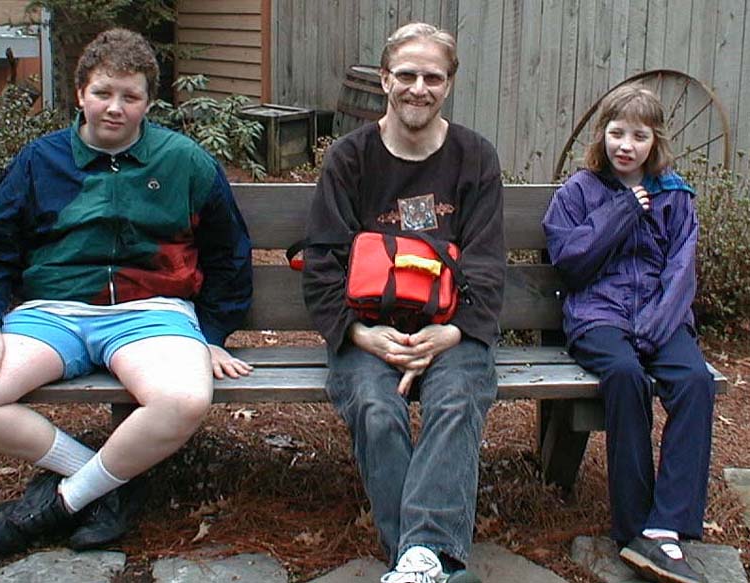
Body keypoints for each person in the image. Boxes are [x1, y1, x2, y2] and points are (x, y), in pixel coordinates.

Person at [0, 28, 253, 555]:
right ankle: (107, 483)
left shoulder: (184, 162)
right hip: (52, 314)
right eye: (102, 92)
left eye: (130, 96)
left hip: (151, 313)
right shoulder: (39, 162)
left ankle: (64, 502)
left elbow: (230, 256)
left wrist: (210, 334)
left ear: (149, 102)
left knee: (184, 398)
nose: (114, 108)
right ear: (80, 94)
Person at [302, 22, 505, 583]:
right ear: (386, 78)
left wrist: (456, 331)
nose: (419, 87)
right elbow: (322, 261)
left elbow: (487, 261)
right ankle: (426, 560)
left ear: (450, 84)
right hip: (368, 330)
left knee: (457, 399)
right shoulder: (350, 157)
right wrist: (359, 335)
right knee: (375, 407)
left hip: (449, 329)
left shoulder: (474, 156)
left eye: (433, 77)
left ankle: (417, 560)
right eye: (407, 74)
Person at [542, 84, 714, 583]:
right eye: (617, 133)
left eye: (639, 136)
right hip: (597, 317)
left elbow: (682, 270)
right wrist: (621, 210)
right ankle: (633, 525)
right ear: (602, 135)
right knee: (624, 376)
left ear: (655, 141)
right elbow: (571, 263)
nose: (626, 145)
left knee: (694, 382)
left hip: (660, 319)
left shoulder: (677, 195)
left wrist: (655, 327)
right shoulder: (578, 191)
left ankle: (666, 527)